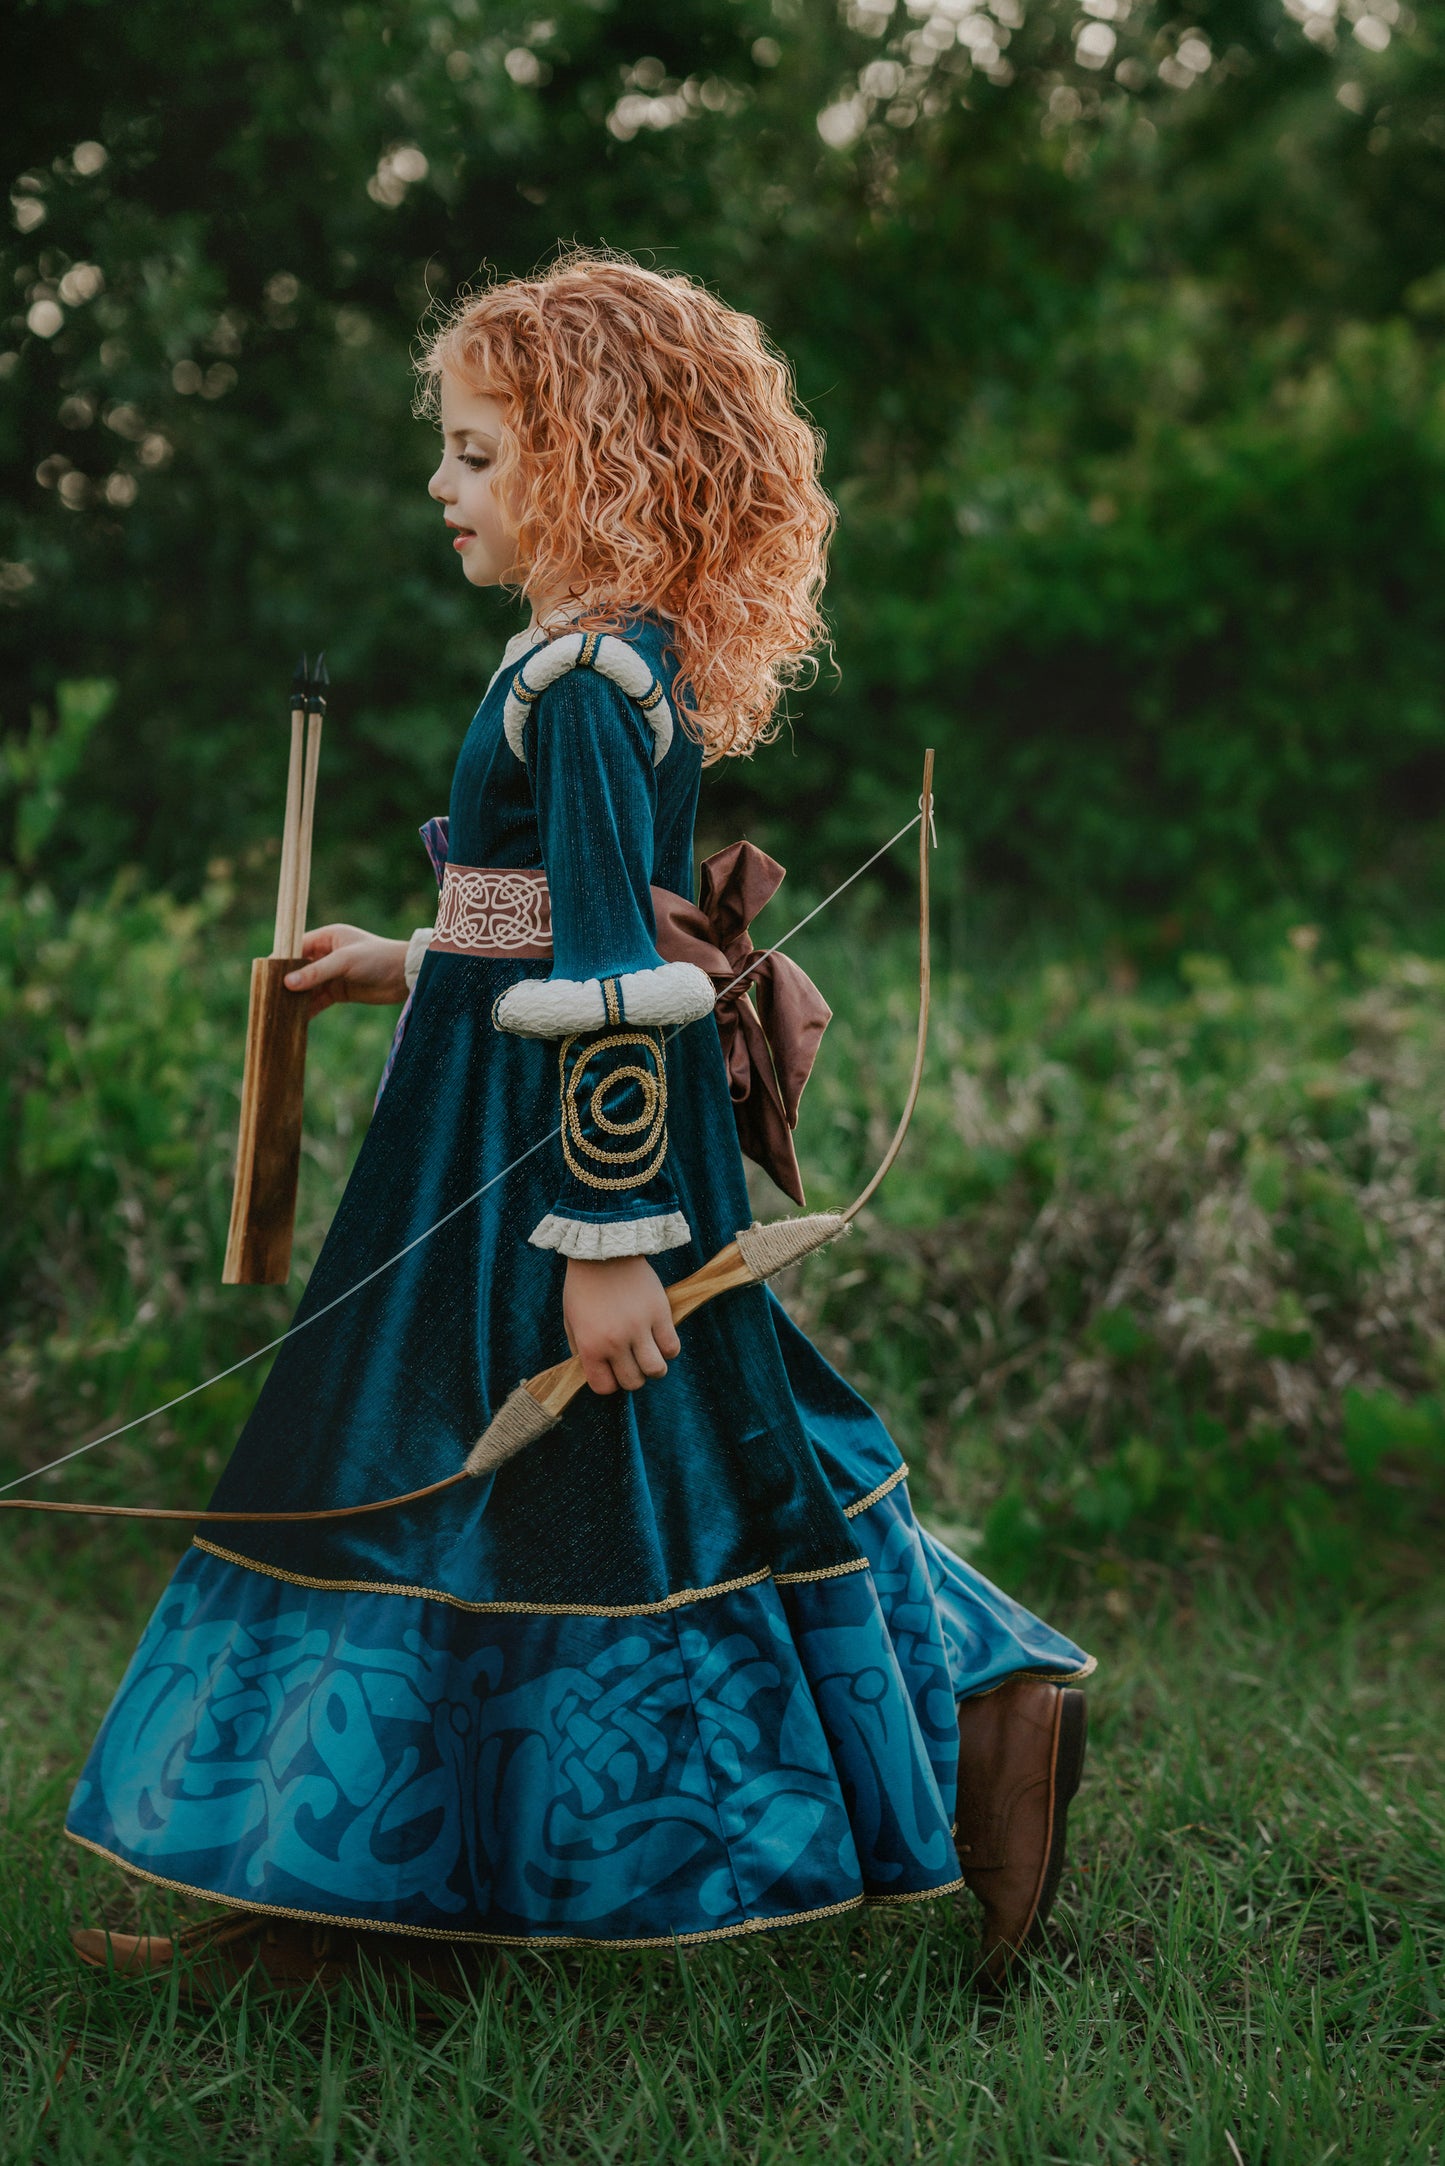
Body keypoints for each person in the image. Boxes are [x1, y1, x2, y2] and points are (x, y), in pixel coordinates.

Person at [67, 253, 1091, 1993]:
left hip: (553, 1162)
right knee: (601, 1461)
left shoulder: (588, 674)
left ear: (586, 454)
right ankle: (345, 1908)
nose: (442, 487)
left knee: (612, 1464)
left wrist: (607, 1243)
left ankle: (990, 1701)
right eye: (449, 452)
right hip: (493, 1137)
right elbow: (556, 909)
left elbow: (621, 977)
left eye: (475, 453)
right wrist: (410, 957)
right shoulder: (582, 660)